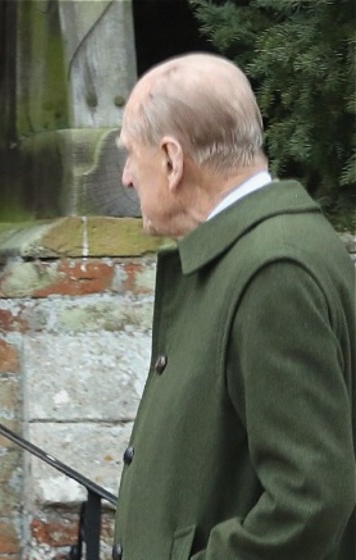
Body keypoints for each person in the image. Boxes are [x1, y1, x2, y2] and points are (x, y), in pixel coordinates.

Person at [112, 52, 355, 560]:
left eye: (131, 155)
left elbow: (310, 498)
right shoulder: (248, 254)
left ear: (173, 161)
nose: (127, 178)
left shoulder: (274, 270)